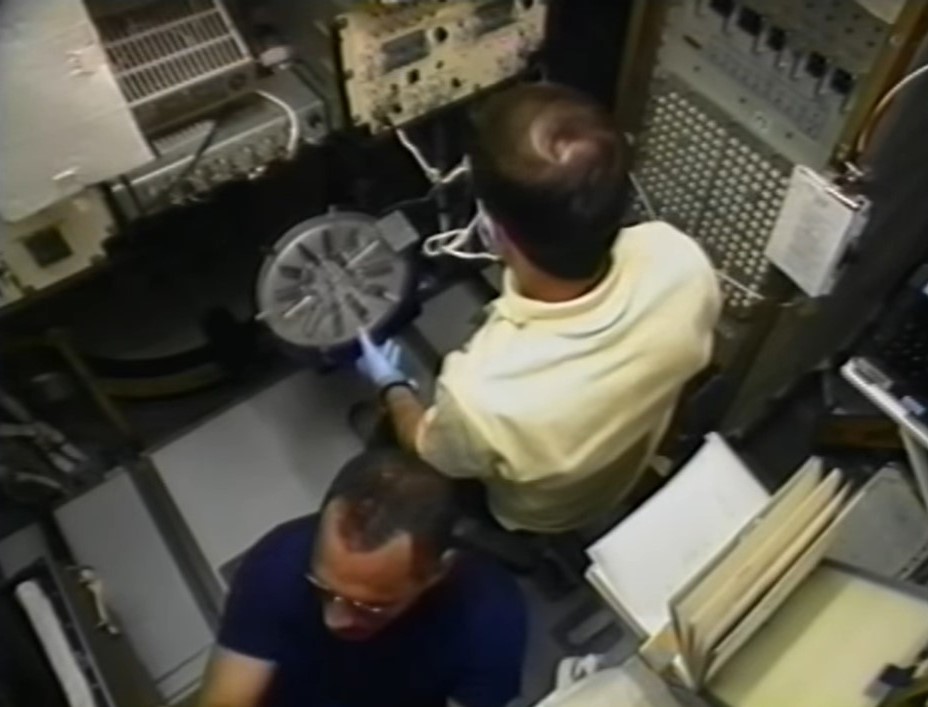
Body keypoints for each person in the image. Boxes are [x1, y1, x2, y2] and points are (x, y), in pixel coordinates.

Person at [357, 83, 722, 534]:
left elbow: (426, 446)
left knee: (392, 448)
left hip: (537, 517)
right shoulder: (681, 261)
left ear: (492, 231)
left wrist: (393, 388)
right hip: (618, 477)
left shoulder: (480, 398)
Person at [199, 449, 527, 707]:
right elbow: (227, 699)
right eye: (323, 589)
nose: (335, 620)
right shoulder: (278, 561)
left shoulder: (490, 616)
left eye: (369, 606)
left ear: (437, 572)